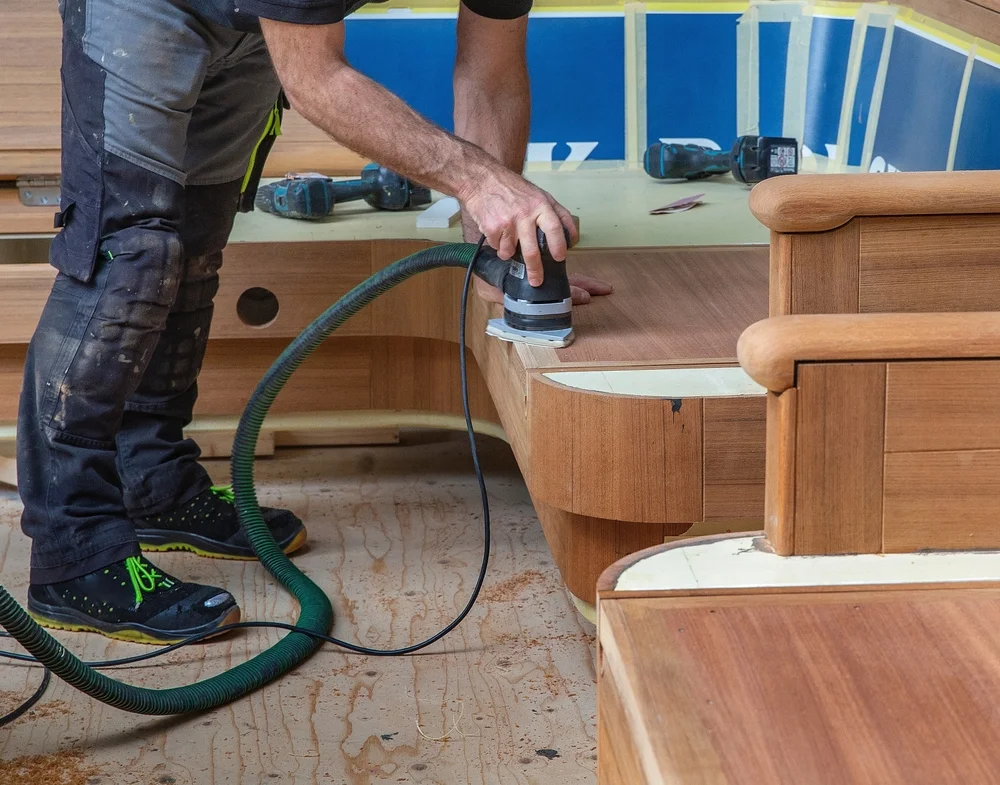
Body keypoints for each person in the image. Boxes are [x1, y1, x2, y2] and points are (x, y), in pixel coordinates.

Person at [18, 0, 612, 644]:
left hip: (253, 20)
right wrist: (477, 181)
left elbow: (489, 73)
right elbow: (316, 80)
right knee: (130, 251)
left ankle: (153, 481)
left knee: (195, 233)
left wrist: (500, 247)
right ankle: (73, 553)